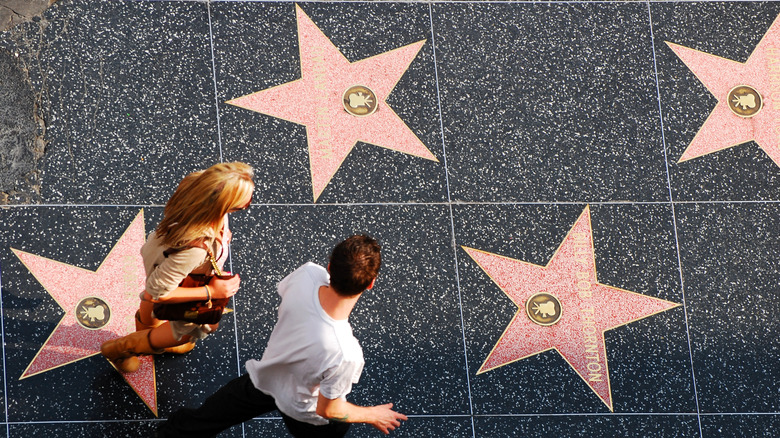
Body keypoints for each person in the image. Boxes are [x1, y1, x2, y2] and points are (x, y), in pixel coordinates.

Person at [156, 235, 407, 437]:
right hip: (304, 412)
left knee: (207, 417)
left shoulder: (308, 275)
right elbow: (329, 409)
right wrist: (371, 414)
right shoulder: (346, 353)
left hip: (266, 378)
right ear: (371, 283)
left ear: (330, 267)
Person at [100, 162, 255, 373]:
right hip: (184, 273)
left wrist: (221, 237)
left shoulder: (195, 186)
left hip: (159, 251)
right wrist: (213, 291)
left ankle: (145, 328)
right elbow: (159, 292)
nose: (246, 206)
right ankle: (123, 349)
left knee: (148, 296)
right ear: (221, 204)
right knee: (184, 333)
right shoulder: (196, 249)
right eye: (240, 205)